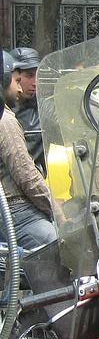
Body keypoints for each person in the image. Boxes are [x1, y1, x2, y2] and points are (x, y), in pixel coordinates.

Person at [0, 51, 55, 249]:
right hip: (15, 208)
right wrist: (54, 208)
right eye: (16, 80)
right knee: (58, 245)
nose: (19, 88)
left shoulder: (44, 109)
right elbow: (26, 174)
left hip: (10, 207)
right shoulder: (5, 121)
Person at [10, 47, 44, 176]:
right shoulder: (5, 110)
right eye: (29, 75)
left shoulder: (43, 108)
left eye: (37, 75)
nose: (34, 82)